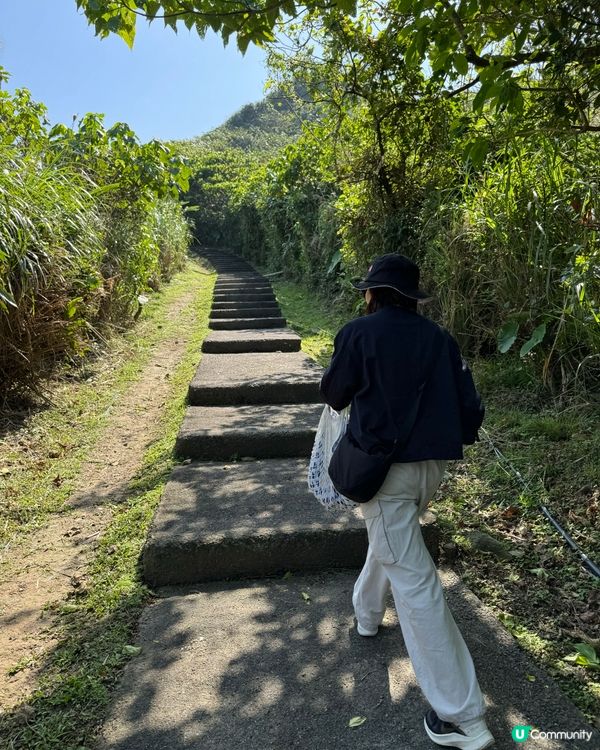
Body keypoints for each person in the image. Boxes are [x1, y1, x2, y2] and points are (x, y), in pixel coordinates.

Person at [319, 254, 494, 750]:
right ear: (412, 298)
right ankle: (367, 614)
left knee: (417, 587)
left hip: (384, 472)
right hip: (430, 470)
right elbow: (470, 413)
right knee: (394, 542)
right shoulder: (440, 339)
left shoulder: (359, 333)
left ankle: (463, 718)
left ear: (372, 294)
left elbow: (334, 394)